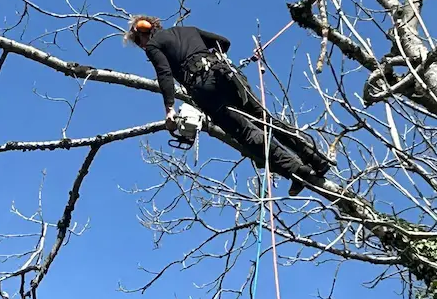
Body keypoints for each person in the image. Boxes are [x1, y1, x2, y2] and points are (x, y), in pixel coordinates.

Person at [126, 15, 330, 194]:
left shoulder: (154, 45)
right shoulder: (188, 30)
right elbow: (224, 42)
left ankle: (297, 170)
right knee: (266, 119)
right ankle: (314, 158)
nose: (141, 45)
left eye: (139, 40)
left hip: (204, 87)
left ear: (144, 31)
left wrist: (169, 108)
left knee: (247, 133)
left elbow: (164, 74)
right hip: (227, 74)